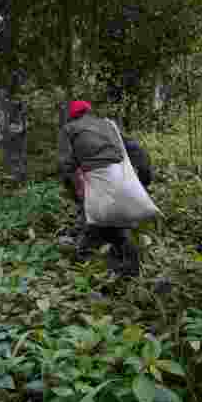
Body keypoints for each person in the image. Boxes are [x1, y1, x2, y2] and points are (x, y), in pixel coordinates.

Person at [58, 100, 153, 277]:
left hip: (98, 181)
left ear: (71, 116)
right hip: (121, 177)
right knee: (117, 226)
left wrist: (76, 194)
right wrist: (144, 181)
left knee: (94, 232)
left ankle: (93, 272)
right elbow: (135, 150)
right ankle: (127, 267)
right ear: (89, 111)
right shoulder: (108, 125)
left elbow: (66, 165)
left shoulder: (69, 129)